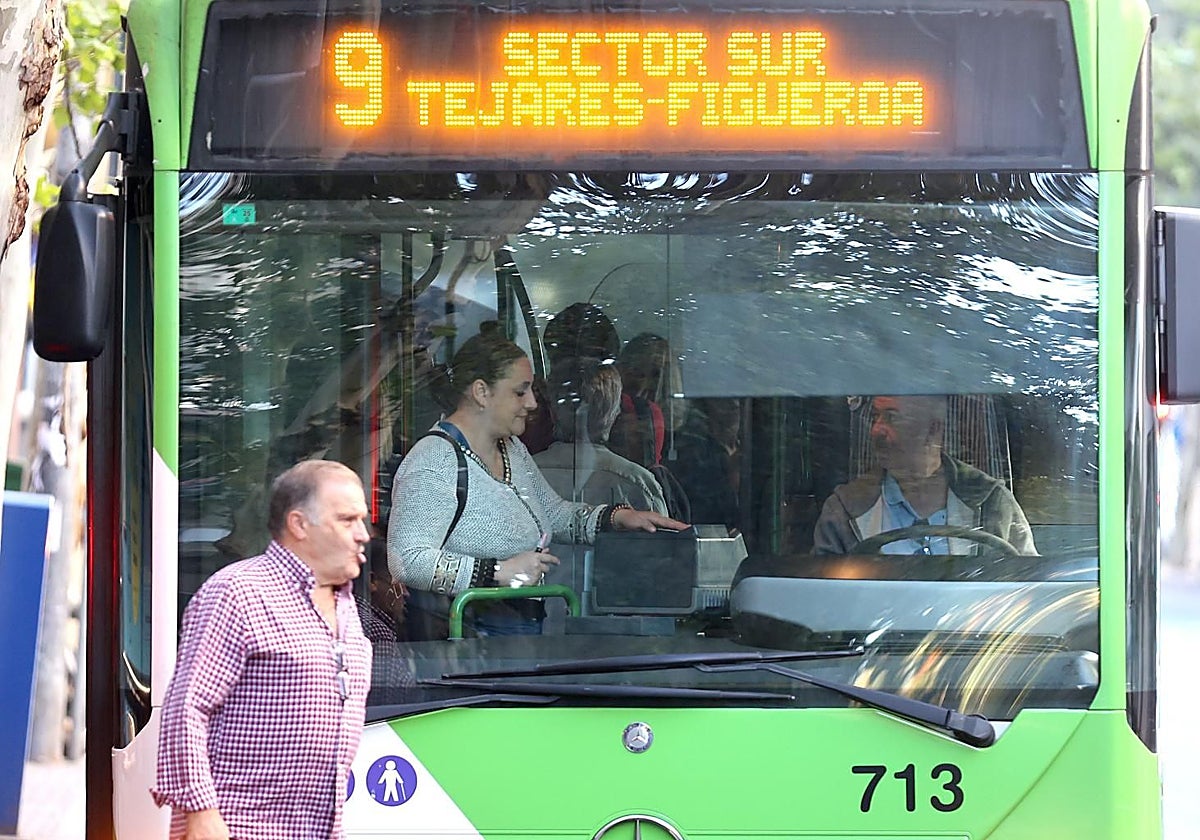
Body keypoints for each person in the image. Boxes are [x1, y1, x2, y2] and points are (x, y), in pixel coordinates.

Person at [387, 325, 687, 636]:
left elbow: (553, 514)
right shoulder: (434, 459)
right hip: (462, 634)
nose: (532, 403)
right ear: (481, 393)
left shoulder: (512, 449)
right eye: (520, 391)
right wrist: (499, 572)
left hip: (515, 623)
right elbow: (408, 560)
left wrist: (616, 517)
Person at [152, 460, 372, 840]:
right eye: (347, 520)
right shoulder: (238, 593)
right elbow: (186, 707)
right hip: (237, 828)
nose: (363, 534)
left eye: (362, 520)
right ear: (299, 524)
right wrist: (201, 813)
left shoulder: (346, 606)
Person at [813, 395, 1037, 556]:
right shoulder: (844, 510)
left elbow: (1028, 590)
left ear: (933, 429)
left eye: (892, 418)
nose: (876, 430)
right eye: (875, 417)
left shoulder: (993, 503)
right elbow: (825, 598)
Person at [534, 356, 668, 513]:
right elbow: (660, 535)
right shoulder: (639, 483)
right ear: (615, 413)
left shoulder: (521, 475)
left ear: (552, 411)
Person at [673, 398, 742, 530]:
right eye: (724, 402)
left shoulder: (751, 447)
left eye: (735, 401)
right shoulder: (691, 450)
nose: (733, 408)